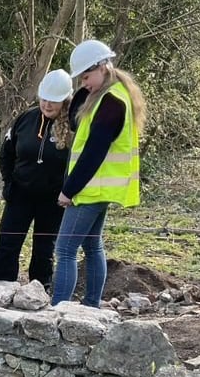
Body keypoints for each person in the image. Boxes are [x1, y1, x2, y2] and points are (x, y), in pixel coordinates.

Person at [52, 39, 146, 307]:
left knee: (65, 249)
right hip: (99, 187)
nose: (83, 82)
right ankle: (90, 306)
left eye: (87, 76)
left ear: (103, 67)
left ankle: (58, 309)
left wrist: (68, 189)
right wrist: (86, 92)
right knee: (92, 246)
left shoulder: (111, 102)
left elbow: (94, 152)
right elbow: (75, 122)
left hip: (90, 188)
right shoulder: (111, 95)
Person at [0, 70, 74, 289]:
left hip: (54, 199)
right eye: (44, 99)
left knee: (44, 249)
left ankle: (40, 291)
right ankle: (1, 288)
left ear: (65, 100)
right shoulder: (26, 118)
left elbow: (80, 163)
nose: (47, 105)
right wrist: (9, 183)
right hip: (20, 193)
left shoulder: (75, 125)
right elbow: (6, 153)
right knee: (7, 244)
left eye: (53, 101)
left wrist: (68, 190)